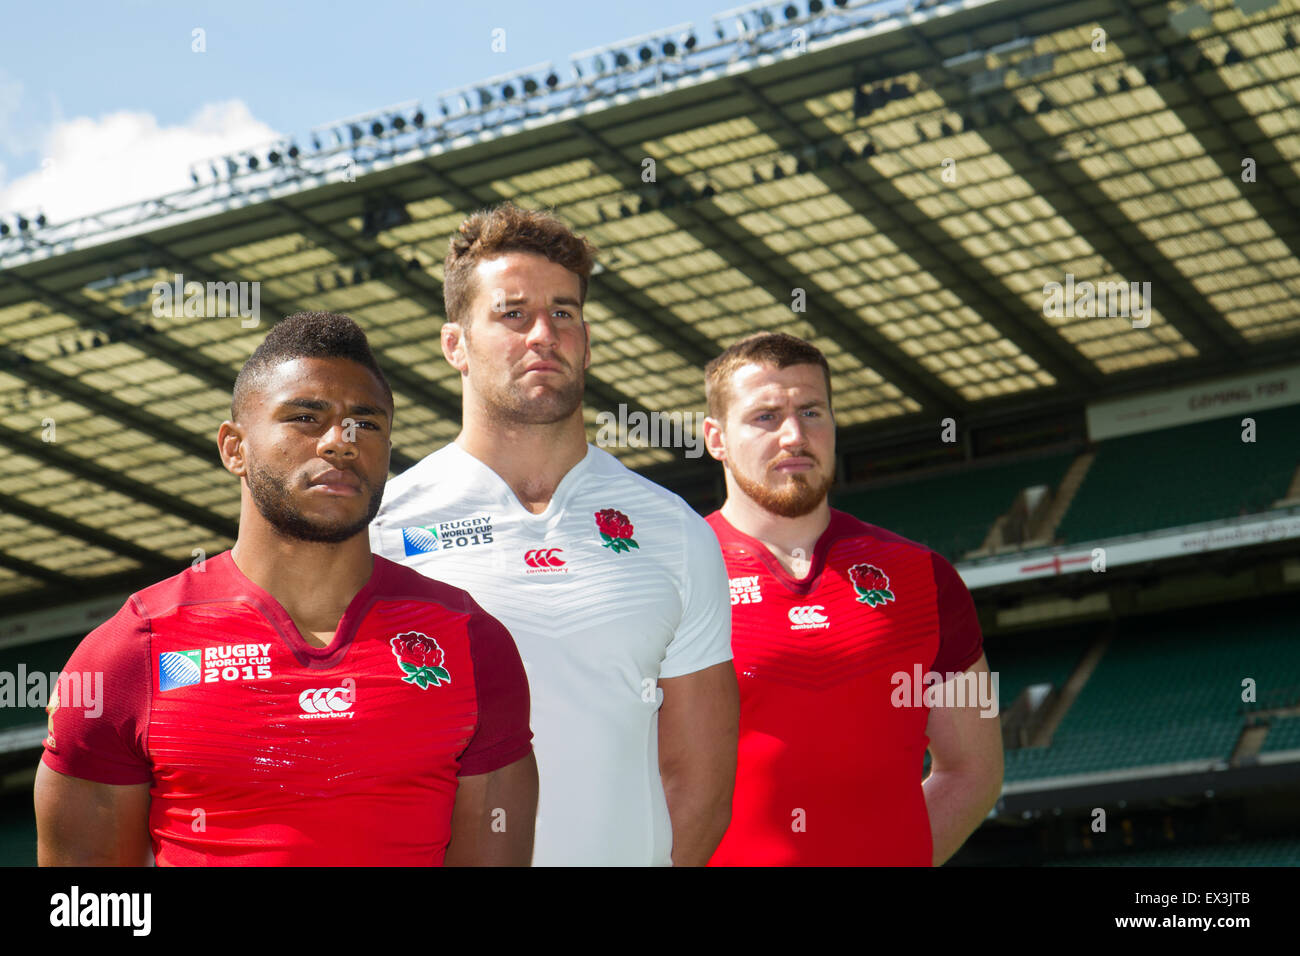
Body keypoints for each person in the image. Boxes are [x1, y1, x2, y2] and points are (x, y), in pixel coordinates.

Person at [34, 311, 537, 866]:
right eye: (305, 417)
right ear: (234, 449)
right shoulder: (130, 652)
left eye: (366, 424)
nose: (339, 442)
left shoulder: (470, 643)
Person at [370, 202, 737, 866]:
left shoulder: (673, 531)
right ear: (455, 343)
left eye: (563, 313)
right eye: (513, 314)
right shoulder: (383, 529)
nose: (543, 334)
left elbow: (700, 782)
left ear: (587, 340)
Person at [700, 332, 1003, 865]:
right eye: (765, 417)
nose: (794, 436)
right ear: (716, 438)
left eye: (812, 412)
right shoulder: (674, 577)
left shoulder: (926, 577)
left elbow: (973, 771)